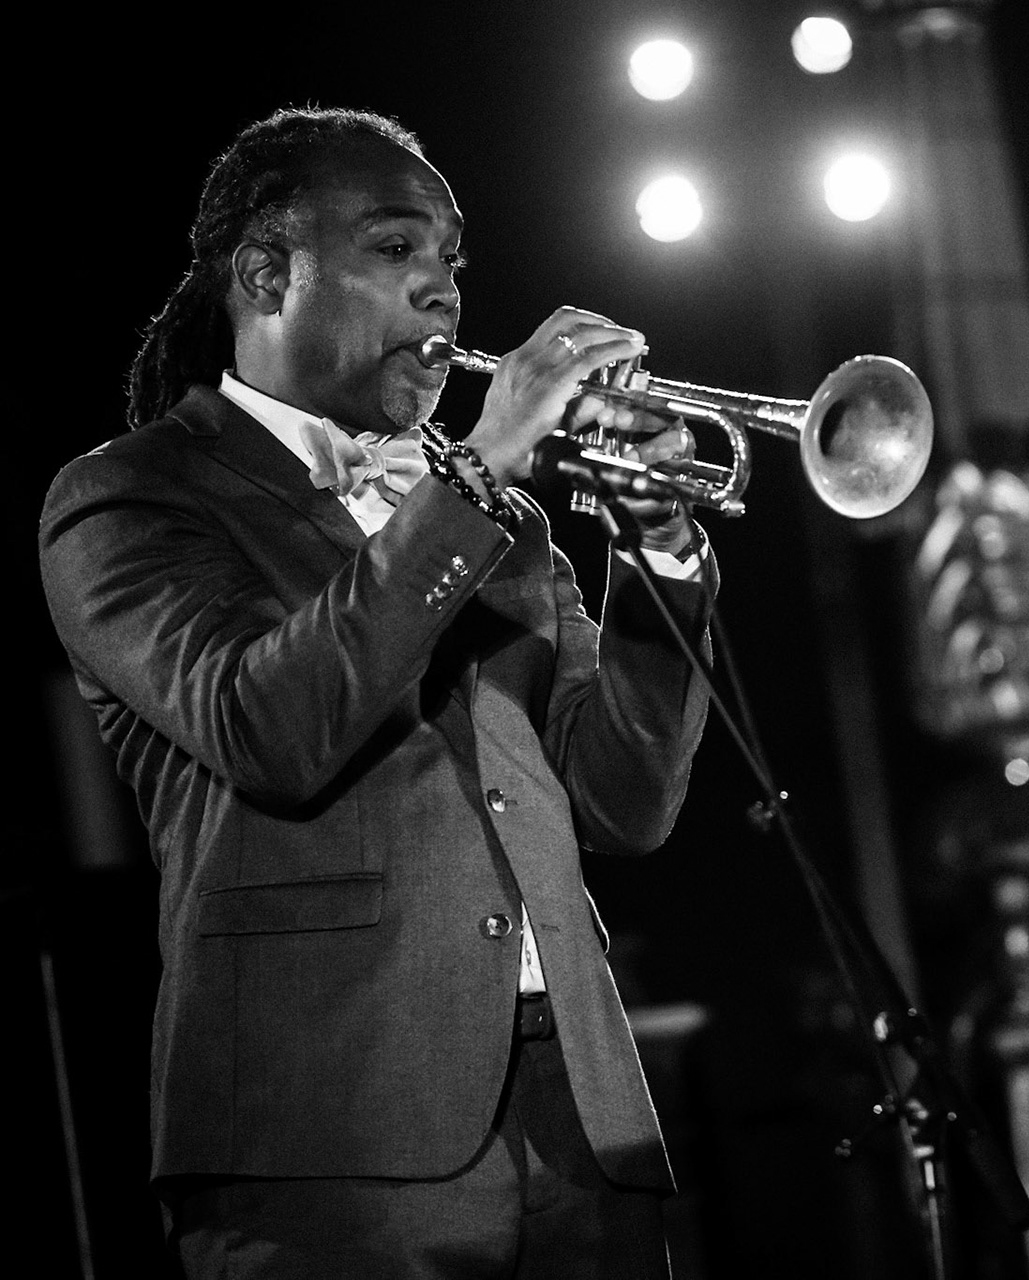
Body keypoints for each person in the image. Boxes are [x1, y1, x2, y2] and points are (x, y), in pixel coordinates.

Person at [39, 106, 711, 1276]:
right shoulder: (130, 498)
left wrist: (657, 555)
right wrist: (482, 473)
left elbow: (623, 804)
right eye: (398, 250)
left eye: (452, 261)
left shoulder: (504, 527)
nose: (444, 292)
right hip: (330, 1134)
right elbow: (267, 724)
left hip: (582, 1123)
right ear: (264, 272)